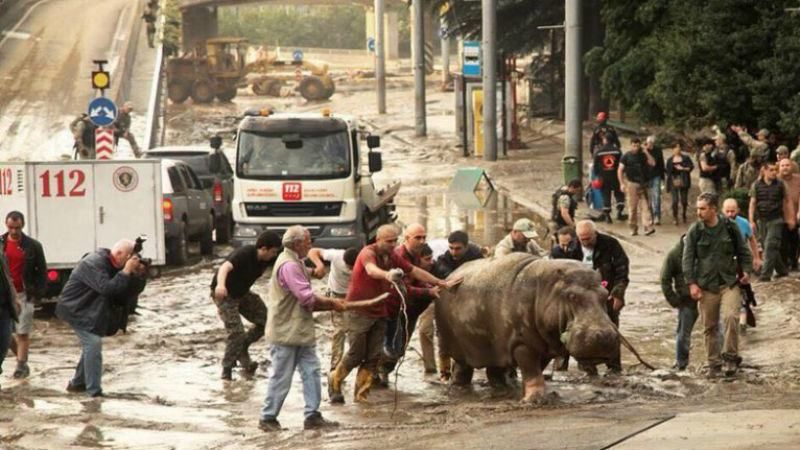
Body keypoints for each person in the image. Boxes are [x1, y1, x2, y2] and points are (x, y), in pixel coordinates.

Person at [259, 226, 382, 432]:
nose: (311, 245)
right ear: (297, 244)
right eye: (308, 241)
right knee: (282, 376)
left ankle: (312, 415)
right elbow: (307, 299)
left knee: (312, 371)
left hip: (300, 331)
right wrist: (333, 303)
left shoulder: (294, 262)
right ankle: (268, 417)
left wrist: (314, 276)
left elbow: (304, 286)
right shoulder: (288, 265)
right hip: (285, 332)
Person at [328, 224, 457, 404]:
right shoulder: (368, 252)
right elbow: (371, 270)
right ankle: (334, 381)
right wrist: (387, 275)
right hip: (359, 310)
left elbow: (414, 271)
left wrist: (439, 282)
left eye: (395, 240)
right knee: (356, 354)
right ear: (378, 240)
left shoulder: (392, 256)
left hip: (381, 310)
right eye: (389, 241)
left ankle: (361, 396)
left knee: (373, 357)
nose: (392, 244)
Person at [56, 239, 147, 397]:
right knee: (93, 343)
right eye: (129, 257)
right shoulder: (94, 262)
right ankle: (93, 392)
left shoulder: (116, 265)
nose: (131, 261)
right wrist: (125, 272)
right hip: (76, 309)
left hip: (92, 310)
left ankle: (77, 384)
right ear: (119, 254)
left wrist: (138, 275)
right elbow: (107, 289)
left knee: (90, 347)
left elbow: (128, 292)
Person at [684, 192, 753, 376]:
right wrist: (691, 283)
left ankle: (730, 358)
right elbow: (687, 259)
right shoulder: (695, 231)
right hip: (707, 285)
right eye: (698, 208)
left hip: (729, 282)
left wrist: (747, 271)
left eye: (703, 209)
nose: (699, 212)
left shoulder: (730, 227)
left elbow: (744, 251)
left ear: (714, 209)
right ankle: (713, 363)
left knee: (731, 317)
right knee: (709, 326)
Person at [211, 231, 281, 380]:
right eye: (273, 252)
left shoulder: (268, 258)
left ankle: (242, 347)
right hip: (224, 294)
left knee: (267, 321)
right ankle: (227, 369)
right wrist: (220, 286)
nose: (274, 256)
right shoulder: (245, 253)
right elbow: (224, 267)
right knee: (236, 332)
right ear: (263, 249)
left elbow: (286, 267)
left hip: (242, 293)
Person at [426, 230, 483, 380]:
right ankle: (444, 374)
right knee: (442, 336)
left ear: (466, 246)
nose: (453, 252)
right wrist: (451, 277)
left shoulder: (476, 256)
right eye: (451, 248)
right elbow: (441, 270)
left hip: (471, 303)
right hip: (447, 301)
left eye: (458, 249)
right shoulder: (444, 259)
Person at [574, 220, 629, 374]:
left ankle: (614, 367)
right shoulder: (573, 247)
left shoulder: (610, 244)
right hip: (580, 298)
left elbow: (622, 270)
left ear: (595, 234)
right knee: (582, 331)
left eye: (588, 238)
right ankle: (587, 367)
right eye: (581, 239)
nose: (585, 242)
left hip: (607, 294)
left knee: (610, 330)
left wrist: (618, 293)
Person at [0, 211, 46, 379]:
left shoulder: (33, 246)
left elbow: (42, 271)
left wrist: (38, 295)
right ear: (6, 225)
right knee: (6, 332)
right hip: (4, 296)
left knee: (23, 331)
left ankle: (21, 364)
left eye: (17, 228)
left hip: (24, 294)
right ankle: (21, 358)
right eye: (11, 227)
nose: (14, 231)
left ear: (23, 225)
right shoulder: (1, 243)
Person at [307, 246, 360, 374]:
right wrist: (319, 266)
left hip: (355, 296)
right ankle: (335, 367)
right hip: (336, 295)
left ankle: (362, 365)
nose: (350, 270)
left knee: (358, 331)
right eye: (348, 266)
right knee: (340, 330)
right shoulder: (336, 255)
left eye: (353, 267)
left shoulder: (364, 261)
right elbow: (313, 251)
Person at [749, 161, 795, 281]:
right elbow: (752, 203)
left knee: (770, 245)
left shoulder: (781, 184)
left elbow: (788, 201)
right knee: (767, 246)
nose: (775, 172)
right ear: (764, 171)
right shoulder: (756, 185)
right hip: (762, 220)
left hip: (776, 219)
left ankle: (765, 275)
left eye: (775, 170)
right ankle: (782, 270)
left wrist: (791, 218)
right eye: (771, 170)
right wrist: (751, 220)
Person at [722, 198, 762, 336]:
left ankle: (743, 319)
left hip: (742, 263)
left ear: (738, 210)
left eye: (732, 211)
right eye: (727, 211)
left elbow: (752, 240)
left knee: (745, 290)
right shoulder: (718, 223)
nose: (729, 214)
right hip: (725, 264)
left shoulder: (744, 223)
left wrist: (756, 258)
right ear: (722, 210)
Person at [660, 236, 696, 371]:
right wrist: (674, 300)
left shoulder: (704, 249)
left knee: (715, 330)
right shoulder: (674, 254)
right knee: (683, 334)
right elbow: (665, 280)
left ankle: (717, 360)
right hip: (686, 300)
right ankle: (681, 363)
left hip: (707, 296)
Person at [618, 137, 655, 236]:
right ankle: (633, 228)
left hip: (643, 184)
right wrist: (621, 183)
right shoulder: (626, 156)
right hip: (631, 184)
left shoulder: (643, 155)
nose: (636, 148)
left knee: (645, 207)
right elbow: (620, 170)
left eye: (637, 146)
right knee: (632, 208)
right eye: (634, 146)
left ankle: (648, 226)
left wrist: (646, 152)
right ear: (631, 145)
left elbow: (652, 163)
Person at [593, 133, 626, 223]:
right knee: (619, 194)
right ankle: (619, 212)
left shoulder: (599, 152)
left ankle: (607, 216)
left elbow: (595, 167)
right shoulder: (618, 151)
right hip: (616, 177)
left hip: (604, 177)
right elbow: (622, 164)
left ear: (605, 140)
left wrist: (597, 176)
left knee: (606, 195)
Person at [0, 250, 19, 390]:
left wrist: (14, 297)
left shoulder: (1, 251)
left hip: (4, 307)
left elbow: (7, 277)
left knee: (4, 343)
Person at [665, 142, 694, 225]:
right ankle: (675, 217)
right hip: (673, 181)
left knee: (684, 200)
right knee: (675, 200)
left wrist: (683, 168)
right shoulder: (670, 160)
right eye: (676, 148)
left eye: (679, 148)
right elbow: (668, 172)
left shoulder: (685, 158)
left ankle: (684, 214)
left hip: (684, 180)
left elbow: (691, 167)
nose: (678, 149)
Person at [778, 158, 800, 270]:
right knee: (782, 242)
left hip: (796, 215)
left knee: (794, 240)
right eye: (783, 165)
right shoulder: (776, 180)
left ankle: (794, 262)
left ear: (792, 167)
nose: (785, 167)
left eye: (787, 165)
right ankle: (784, 265)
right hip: (780, 217)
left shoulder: (798, 179)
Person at [644, 136, 665, 225]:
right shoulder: (642, 151)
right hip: (646, 177)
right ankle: (650, 216)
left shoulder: (657, 151)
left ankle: (657, 216)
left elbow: (656, 163)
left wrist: (663, 177)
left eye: (650, 143)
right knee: (647, 198)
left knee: (656, 196)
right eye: (647, 143)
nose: (648, 145)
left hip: (656, 175)